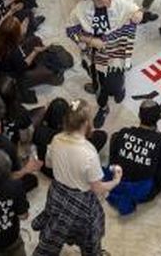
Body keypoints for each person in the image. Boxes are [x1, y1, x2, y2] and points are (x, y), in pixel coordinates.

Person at [32, 100, 120, 256]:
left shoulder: (56, 139)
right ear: (86, 123)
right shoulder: (89, 152)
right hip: (81, 202)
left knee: (55, 231)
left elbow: (49, 164)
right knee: (89, 235)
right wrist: (116, 181)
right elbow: (97, 188)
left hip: (57, 193)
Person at [66, 0, 143, 128]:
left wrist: (138, 14)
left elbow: (135, 10)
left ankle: (119, 88)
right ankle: (103, 108)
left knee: (116, 82)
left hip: (116, 53)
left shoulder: (118, 3)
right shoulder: (81, 10)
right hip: (94, 56)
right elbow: (71, 31)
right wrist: (89, 40)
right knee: (99, 86)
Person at [105, 100, 161, 216]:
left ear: (139, 116)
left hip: (113, 183)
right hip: (142, 193)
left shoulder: (124, 133)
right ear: (158, 118)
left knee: (116, 137)